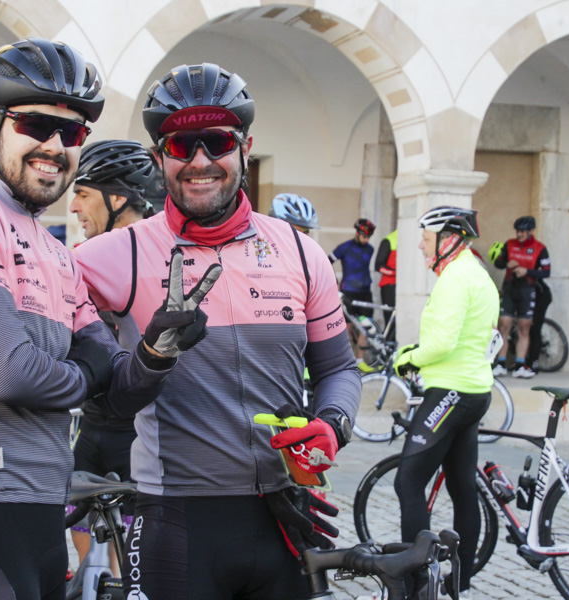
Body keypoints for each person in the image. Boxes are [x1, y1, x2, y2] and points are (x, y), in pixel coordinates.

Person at [0, 39, 186, 600]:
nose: (54, 146)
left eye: (71, 133)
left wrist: (154, 352)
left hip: (42, 517)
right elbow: (11, 374)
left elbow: (117, 391)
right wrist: (86, 373)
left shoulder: (53, 251)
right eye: (34, 123)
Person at [74, 62, 361, 600]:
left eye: (216, 142)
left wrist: (333, 425)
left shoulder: (300, 251)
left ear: (244, 148)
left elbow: (338, 368)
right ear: (160, 157)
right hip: (176, 519)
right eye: (182, 146)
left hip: (284, 513)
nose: (200, 161)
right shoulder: (119, 253)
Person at [392, 206, 499, 599]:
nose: (420, 243)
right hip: (474, 391)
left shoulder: (455, 278)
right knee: (461, 489)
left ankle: (416, 582)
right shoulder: (479, 275)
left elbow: (441, 344)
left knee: (408, 482)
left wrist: (408, 358)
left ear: (448, 238)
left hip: (450, 392)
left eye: (426, 235)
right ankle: (459, 584)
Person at [66, 139, 158, 572]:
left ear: (117, 198)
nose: (73, 207)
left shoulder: (154, 255)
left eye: (82, 194)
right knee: (84, 549)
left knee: (132, 562)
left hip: (138, 433)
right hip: (92, 425)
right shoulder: (85, 259)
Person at [491, 216, 550, 378]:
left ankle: (519, 366)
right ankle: (501, 364)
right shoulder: (509, 244)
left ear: (531, 231)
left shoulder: (540, 248)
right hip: (509, 289)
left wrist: (528, 271)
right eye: (517, 231)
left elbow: (546, 272)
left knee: (524, 328)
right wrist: (505, 264)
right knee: (504, 325)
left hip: (527, 290)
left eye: (523, 231)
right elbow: (497, 263)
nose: (519, 234)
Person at [333, 218, 377, 372]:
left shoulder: (370, 249)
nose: (366, 240)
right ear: (357, 233)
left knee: (366, 328)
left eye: (368, 237)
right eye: (364, 236)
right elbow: (326, 262)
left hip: (365, 293)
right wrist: (333, 283)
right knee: (346, 328)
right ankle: (344, 361)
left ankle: (360, 361)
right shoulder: (344, 248)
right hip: (348, 293)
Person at [374, 229, 397, 341]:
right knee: (390, 321)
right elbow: (378, 266)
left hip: (400, 287)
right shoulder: (389, 240)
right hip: (389, 286)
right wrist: (395, 273)